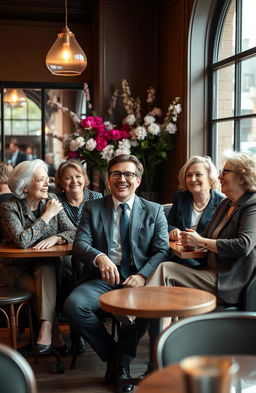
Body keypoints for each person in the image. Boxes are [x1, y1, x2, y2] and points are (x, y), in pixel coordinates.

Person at [63, 154, 169, 393]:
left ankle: (120, 366)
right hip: (103, 279)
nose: (122, 179)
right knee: (74, 305)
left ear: (138, 180)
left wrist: (142, 276)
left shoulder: (154, 210)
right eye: (117, 174)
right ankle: (116, 358)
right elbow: (80, 244)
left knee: (147, 311)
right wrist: (99, 257)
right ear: (108, 179)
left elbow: (162, 250)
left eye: (129, 174)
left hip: (139, 280)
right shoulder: (93, 207)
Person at [147, 151, 256, 308]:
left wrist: (202, 241)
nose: (219, 177)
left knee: (166, 270)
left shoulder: (252, 204)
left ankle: (136, 311)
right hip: (207, 271)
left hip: (228, 280)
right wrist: (192, 242)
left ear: (242, 176)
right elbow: (204, 236)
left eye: (225, 172)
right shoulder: (226, 204)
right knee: (166, 272)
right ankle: (165, 329)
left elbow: (243, 246)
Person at [0, 159, 76, 355]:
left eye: (47, 179)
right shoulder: (9, 207)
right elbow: (22, 241)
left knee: (44, 270)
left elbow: (73, 231)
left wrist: (56, 237)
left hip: (46, 265)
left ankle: (45, 330)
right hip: (15, 269)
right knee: (41, 289)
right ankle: (52, 330)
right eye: (41, 180)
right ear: (25, 186)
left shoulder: (51, 199)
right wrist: (47, 217)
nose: (46, 184)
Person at [55, 159, 103, 352]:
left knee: (82, 269)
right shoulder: (54, 200)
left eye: (78, 176)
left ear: (85, 178)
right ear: (60, 182)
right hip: (65, 254)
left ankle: (79, 332)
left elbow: (100, 230)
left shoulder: (96, 197)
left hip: (92, 251)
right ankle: (77, 331)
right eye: (68, 178)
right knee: (67, 269)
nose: (74, 181)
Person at [167, 155, 223, 267]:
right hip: (180, 255)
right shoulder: (180, 198)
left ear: (210, 178)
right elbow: (167, 224)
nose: (192, 179)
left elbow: (221, 238)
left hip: (208, 259)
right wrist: (173, 230)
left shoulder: (222, 203)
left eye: (198, 174)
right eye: (189, 175)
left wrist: (197, 242)